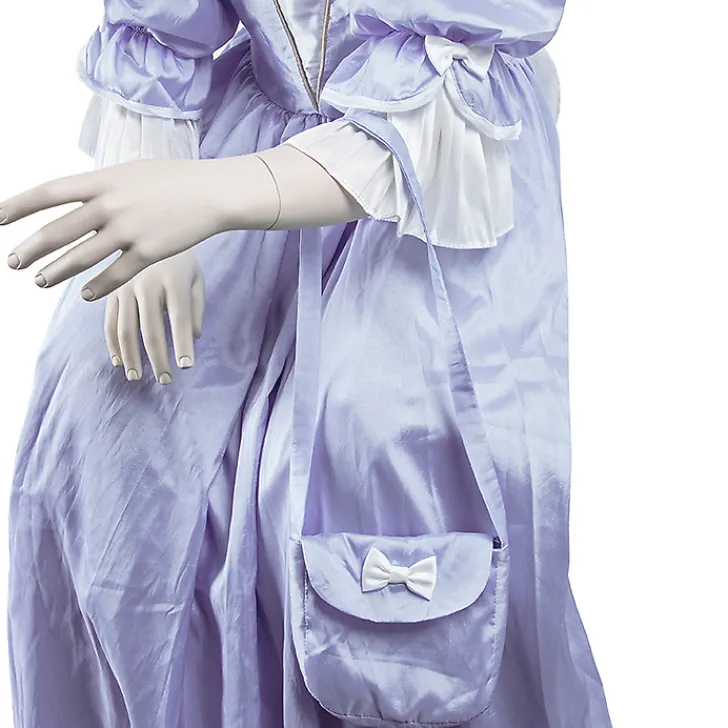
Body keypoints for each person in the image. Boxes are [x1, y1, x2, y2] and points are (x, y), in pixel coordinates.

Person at [1, 1, 613, 726]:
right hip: (241, 138)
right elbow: (165, 22)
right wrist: (150, 164)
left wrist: (215, 194)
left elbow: (444, 88)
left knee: (370, 467)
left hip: (424, 181)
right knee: (96, 423)